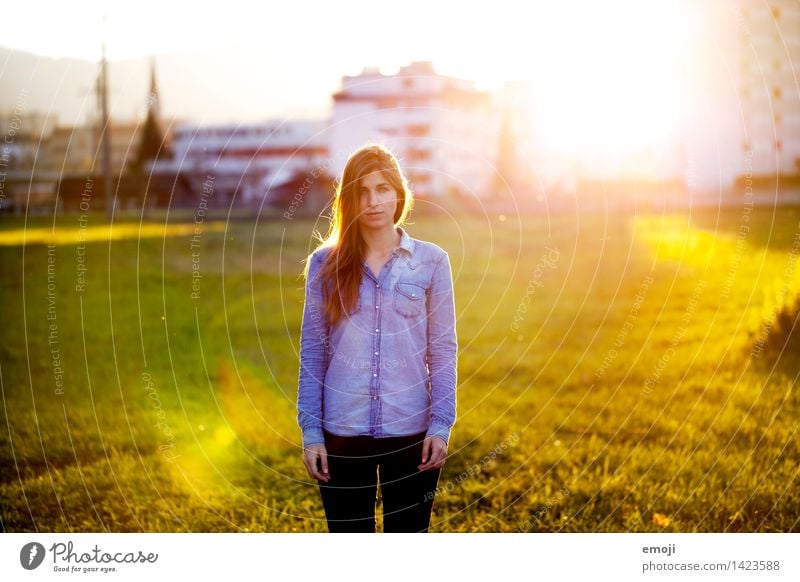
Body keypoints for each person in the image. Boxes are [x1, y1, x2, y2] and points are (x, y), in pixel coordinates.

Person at [296, 143, 458, 533]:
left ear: (398, 193)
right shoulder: (326, 263)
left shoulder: (432, 261)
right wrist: (312, 431)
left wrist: (440, 424)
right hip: (342, 432)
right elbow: (313, 351)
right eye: (362, 191)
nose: (373, 201)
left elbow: (443, 348)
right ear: (349, 199)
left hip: (411, 431)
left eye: (383, 189)